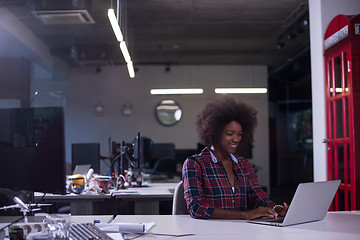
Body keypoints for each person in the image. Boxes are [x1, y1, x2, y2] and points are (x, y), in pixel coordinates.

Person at [182, 95, 288, 219]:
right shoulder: (194, 164)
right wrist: (244, 215)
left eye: (240, 134)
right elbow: (196, 208)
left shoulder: (243, 164)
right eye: (230, 134)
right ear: (214, 132)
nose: (236, 139)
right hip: (208, 233)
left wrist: (276, 209)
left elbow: (259, 197)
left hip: (241, 232)